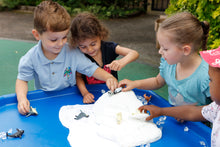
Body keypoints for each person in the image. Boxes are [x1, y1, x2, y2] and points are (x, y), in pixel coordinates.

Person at [16, 1, 118, 115]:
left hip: (70, 96)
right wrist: (22, 98)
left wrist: (108, 77)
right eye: (54, 40)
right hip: (45, 100)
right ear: (37, 35)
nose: (60, 44)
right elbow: (22, 80)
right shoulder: (30, 58)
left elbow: (91, 68)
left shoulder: (72, 52)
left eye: (64, 37)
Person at [119, 12, 211, 106]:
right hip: (173, 116)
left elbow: (215, 109)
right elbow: (157, 81)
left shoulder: (207, 76)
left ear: (186, 50)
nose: (160, 52)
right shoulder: (169, 62)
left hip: (195, 121)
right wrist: (135, 83)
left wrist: (188, 114)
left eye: (165, 48)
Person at [139, 46, 220, 147]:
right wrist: (161, 111)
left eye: (211, 80)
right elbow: (192, 112)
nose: (209, 84)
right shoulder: (216, 108)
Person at [70, 12, 139, 103]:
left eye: (93, 44)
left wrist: (121, 62)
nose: (90, 49)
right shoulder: (80, 55)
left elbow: (134, 53)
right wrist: (85, 93)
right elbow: (78, 77)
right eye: (83, 46)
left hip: (112, 93)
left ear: (100, 35)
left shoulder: (109, 47)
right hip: (92, 94)